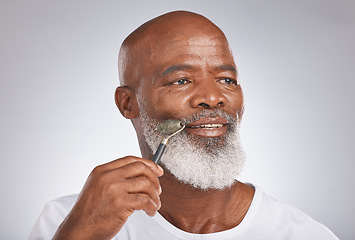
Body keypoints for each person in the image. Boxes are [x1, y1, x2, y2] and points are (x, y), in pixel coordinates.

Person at [30, 11, 339, 240]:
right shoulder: (65, 223)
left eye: (226, 80)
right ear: (128, 103)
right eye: (181, 80)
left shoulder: (303, 234)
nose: (213, 97)